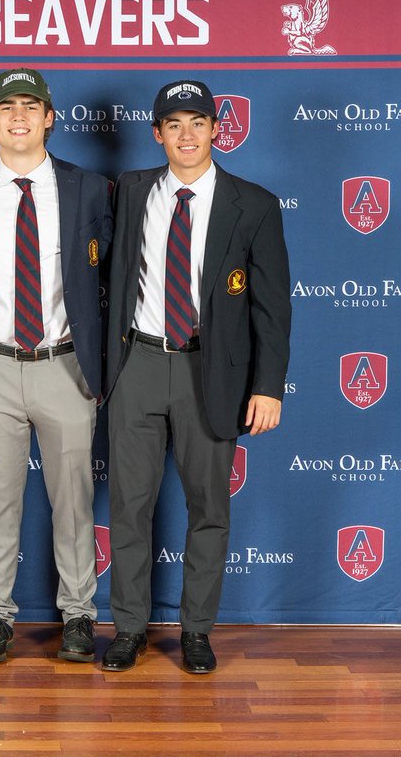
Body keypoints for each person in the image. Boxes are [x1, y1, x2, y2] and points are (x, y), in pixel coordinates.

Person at [101, 79, 291, 674]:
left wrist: (267, 385)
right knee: (130, 506)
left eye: (198, 122)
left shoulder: (253, 204)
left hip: (209, 370)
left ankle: (197, 631)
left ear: (216, 128)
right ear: (156, 133)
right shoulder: (131, 191)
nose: (187, 135)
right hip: (137, 363)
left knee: (209, 507)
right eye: (174, 125)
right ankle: (128, 628)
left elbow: (272, 307)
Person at [0, 68, 111, 663]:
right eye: (6, 106)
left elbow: (107, 276)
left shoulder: (88, 188)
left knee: (74, 499)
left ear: (49, 117)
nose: (18, 116)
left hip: (64, 364)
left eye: (30, 106)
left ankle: (80, 615)